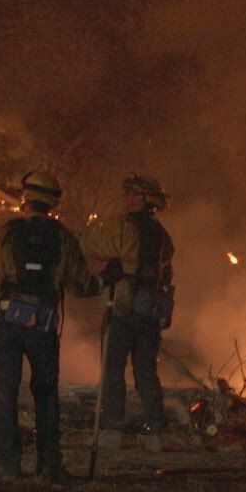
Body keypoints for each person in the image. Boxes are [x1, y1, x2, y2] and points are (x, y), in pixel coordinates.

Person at [0, 169, 98, 481]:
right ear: (52, 204)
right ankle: (49, 464)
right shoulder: (63, 238)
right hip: (43, 324)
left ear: (26, 199)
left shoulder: (6, 235)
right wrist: (105, 281)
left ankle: (9, 463)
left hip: (7, 322)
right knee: (46, 393)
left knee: (6, 394)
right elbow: (81, 285)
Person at [80, 174, 176, 451]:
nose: (127, 198)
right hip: (150, 310)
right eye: (128, 193)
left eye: (133, 194)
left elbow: (89, 244)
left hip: (123, 308)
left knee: (113, 369)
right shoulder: (161, 234)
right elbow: (167, 258)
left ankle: (111, 431)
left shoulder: (121, 228)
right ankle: (156, 433)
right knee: (146, 371)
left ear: (145, 199)